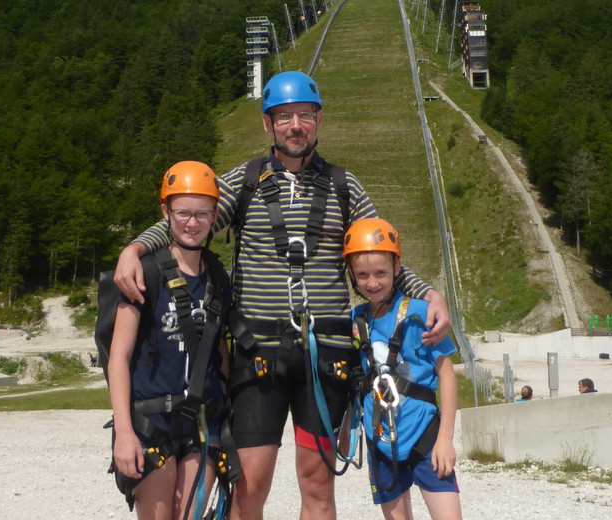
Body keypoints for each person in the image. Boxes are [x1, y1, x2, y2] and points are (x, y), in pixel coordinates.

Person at [114, 71, 452, 520]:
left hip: (325, 356)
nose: (295, 125)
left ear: (319, 120)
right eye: (284, 117)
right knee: (248, 486)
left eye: (305, 116)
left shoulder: (344, 187)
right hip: (258, 357)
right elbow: (188, 223)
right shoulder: (243, 182)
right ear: (267, 124)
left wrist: (431, 293)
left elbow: (381, 255)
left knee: (317, 487)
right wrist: (135, 248)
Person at [107, 161, 232, 520]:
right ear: (165, 212)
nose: (192, 223)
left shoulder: (217, 276)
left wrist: (229, 419)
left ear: (214, 215)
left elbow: (219, 349)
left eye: (202, 214)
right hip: (151, 422)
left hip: (202, 421)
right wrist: (124, 432)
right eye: (182, 213)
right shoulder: (143, 273)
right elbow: (119, 355)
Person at [344, 217, 461, 520]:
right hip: (380, 441)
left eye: (381, 273)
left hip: (427, 436)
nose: (372, 283)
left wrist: (446, 438)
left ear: (398, 268)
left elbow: (446, 374)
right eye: (363, 275)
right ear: (351, 275)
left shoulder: (420, 313)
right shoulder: (356, 323)